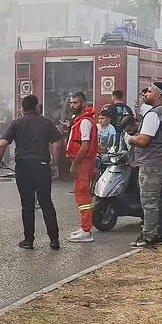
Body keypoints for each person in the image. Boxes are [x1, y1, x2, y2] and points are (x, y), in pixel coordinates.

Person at [0, 94, 62, 250]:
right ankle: (54, 240)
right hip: (41, 165)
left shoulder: (16, 123)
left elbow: (2, 144)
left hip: (23, 166)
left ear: (22, 108)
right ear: (37, 107)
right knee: (46, 202)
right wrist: (55, 162)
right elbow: (57, 144)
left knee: (27, 204)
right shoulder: (46, 122)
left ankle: (29, 240)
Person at [127, 82, 162, 248]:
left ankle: (148, 236)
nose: (145, 94)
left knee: (149, 201)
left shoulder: (153, 114)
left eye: (149, 91)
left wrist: (131, 139)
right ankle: (160, 234)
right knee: (161, 200)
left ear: (158, 94)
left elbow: (144, 139)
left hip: (152, 163)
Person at [65, 92, 98, 243]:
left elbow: (84, 146)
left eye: (76, 103)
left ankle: (86, 230)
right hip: (83, 162)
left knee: (83, 196)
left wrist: (74, 163)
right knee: (81, 195)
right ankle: (85, 227)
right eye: (71, 103)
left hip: (83, 162)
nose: (73, 106)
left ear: (83, 103)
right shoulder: (80, 120)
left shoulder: (84, 122)